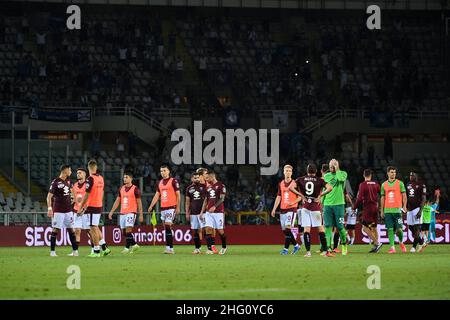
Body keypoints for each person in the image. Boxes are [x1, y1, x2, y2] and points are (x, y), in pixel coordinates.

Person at [289, 164, 332, 257]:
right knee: (320, 229)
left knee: (306, 230)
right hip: (315, 208)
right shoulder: (320, 180)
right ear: (316, 171)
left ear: (307, 171)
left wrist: (301, 195)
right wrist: (321, 195)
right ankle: (325, 251)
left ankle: (308, 252)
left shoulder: (301, 179)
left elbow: (291, 187)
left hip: (305, 208)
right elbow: (330, 188)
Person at [78, 160, 111, 258]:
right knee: (95, 227)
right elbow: (102, 192)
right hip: (98, 205)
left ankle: (96, 251)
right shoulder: (101, 178)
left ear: (88, 168)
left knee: (93, 229)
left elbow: (87, 195)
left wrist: (81, 207)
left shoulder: (90, 179)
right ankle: (105, 248)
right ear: (96, 167)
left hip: (92, 206)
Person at [147, 165, 180, 254]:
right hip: (163, 208)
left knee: (168, 225)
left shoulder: (173, 181)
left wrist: (178, 207)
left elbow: (178, 195)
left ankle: (171, 249)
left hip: (171, 207)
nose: (163, 172)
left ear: (168, 171)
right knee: (166, 228)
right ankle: (167, 247)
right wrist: (151, 205)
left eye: (164, 170)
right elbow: (157, 195)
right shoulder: (160, 182)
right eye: (161, 171)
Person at [108, 172, 143, 254]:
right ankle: (134, 245)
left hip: (131, 212)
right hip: (122, 212)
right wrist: (111, 212)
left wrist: (140, 214)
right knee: (124, 232)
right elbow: (117, 201)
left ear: (131, 179)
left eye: (126, 177)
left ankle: (127, 248)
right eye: (124, 177)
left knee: (128, 230)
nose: (124, 179)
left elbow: (139, 203)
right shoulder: (121, 189)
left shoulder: (135, 189)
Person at [46, 165, 77, 257]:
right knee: (55, 229)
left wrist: (73, 198)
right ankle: (52, 252)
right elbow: (49, 197)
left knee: (71, 229)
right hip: (58, 210)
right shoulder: (55, 182)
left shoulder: (69, 181)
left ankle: (75, 251)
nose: (71, 171)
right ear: (65, 170)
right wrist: (49, 208)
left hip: (68, 210)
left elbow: (72, 192)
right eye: (70, 169)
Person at [270, 165, 301, 255]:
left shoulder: (295, 183)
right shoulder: (281, 183)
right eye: (286, 170)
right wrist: (274, 209)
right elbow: (279, 196)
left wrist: (293, 202)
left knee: (288, 228)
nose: (287, 172)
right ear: (283, 172)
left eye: (289, 171)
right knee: (285, 231)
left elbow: (300, 197)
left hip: (292, 209)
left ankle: (285, 249)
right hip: (282, 209)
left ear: (291, 173)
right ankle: (296, 245)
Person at [322, 159, 349, 256]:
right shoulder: (326, 176)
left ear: (337, 166)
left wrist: (337, 168)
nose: (331, 167)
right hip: (327, 205)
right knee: (328, 227)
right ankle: (328, 248)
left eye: (333, 166)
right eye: (330, 166)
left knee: (340, 227)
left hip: (339, 204)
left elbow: (341, 179)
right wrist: (321, 203)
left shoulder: (343, 174)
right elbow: (323, 190)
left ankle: (344, 244)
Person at [353, 169, 383, 253]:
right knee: (374, 227)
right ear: (371, 175)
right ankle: (376, 247)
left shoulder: (362, 185)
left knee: (365, 227)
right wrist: (380, 207)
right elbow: (381, 195)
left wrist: (354, 207)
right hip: (375, 208)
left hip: (368, 208)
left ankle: (377, 243)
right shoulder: (376, 184)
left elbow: (359, 198)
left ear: (364, 175)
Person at [380, 166, 407, 254]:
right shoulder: (384, 184)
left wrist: (405, 206)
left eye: (394, 172)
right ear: (388, 173)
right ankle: (392, 247)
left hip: (397, 210)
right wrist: (382, 210)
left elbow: (404, 195)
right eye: (392, 172)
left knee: (399, 229)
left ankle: (401, 242)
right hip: (388, 210)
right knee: (390, 229)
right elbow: (382, 198)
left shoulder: (400, 183)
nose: (393, 174)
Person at [200, 171, 228, 255]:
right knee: (208, 229)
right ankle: (209, 249)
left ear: (212, 177)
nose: (206, 179)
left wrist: (215, 206)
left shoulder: (221, 186)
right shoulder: (208, 187)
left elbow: (222, 198)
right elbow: (206, 200)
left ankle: (224, 247)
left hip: (218, 212)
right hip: (208, 212)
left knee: (220, 230)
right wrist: (202, 212)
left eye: (207, 178)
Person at [185, 172, 207, 254]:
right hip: (193, 213)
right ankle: (197, 248)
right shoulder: (189, 188)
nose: (197, 179)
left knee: (205, 230)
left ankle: (210, 248)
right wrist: (187, 213)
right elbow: (187, 202)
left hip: (203, 213)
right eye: (195, 178)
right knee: (195, 231)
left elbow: (207, 200)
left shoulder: (204, 187)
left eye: (198, 177)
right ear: (192, 179)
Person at [71, 168, 90, 256]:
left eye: (80, 173)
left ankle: (95, 249)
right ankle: (75, 251)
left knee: (89, 231)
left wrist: (84, 209)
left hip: (85, 212)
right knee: (77, 231)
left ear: (85, 174)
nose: (78, 174)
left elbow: (89, 199)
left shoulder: (87, 185)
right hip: (76, 211)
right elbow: (74, 199)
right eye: (77, 173)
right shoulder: (74, 185)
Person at [406, 172, 426, 253]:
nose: (411, 176)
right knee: (410, 227)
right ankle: (421, 241)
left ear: (416, 176)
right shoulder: (408, 184)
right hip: (409, 209)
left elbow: (424, 198)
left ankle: (414, 247)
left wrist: (420, 211)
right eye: (410, 175)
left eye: (412, 175)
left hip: (417, 208)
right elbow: (407, 196)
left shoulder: (421, 185)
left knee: (417, 227)